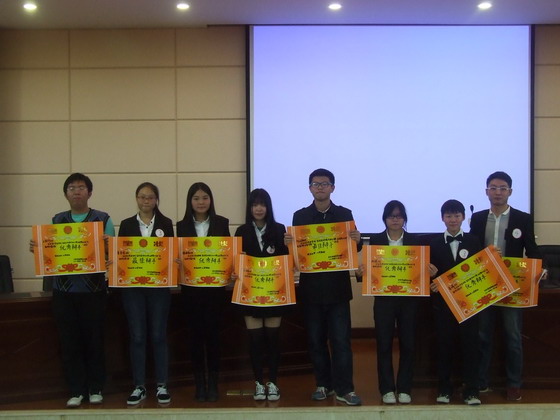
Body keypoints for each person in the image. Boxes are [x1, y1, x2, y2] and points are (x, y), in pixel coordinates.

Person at [29, 173, 115, 408]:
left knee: (94, 341)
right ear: (66, 194)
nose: (77, 191)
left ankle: (96, 388)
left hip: (93, 292)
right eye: (72, 188)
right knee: (69, 343)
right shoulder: (57, 220)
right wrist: (38, 249)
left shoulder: (103, 219)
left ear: (90, 192)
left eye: (81, 187)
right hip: (64, 293)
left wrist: (109, 247)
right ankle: (76, 390)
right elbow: (50, 254)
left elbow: (113, 255)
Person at [285, 168, 363, 406]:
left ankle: (345, 389)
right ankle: (323, 384)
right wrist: (289, 244)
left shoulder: (344, 214)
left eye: (325, 184)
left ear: (332, 188)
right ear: (310, 188)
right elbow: (296, 254)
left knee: (341, 342)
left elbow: (353, 249)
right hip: (311, 290)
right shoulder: (300, 216)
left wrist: (357, 240)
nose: (320, 188)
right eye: (316, 184)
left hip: (338, 289)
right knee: (316, 341)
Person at [469, 171, 541, 402]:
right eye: (493, 188)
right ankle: (481, 381)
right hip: (485, 285)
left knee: (513, 337)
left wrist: (540, 268)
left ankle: (514, 384)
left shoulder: (523, 218)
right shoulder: (478, 218)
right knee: (482, 336)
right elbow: (472, 250)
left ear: (510, 192)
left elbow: (532, 250)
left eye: (502, 188)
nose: (497, 192)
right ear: (486, 191)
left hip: (513, 286)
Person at [117, 182, 174, 406]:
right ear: (136, 199)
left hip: (159, 289)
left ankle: (162, 385)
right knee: (138, 336)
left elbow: (170, 254)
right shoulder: (127, 224)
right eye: (142, 197)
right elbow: (122, 255)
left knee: (159, 336)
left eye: (150, 197)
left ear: (156, 200)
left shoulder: (166, 224)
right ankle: (139, 386)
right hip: (133, 290)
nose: (146, 201)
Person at [368, 200, 429, 405]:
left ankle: (404, 388)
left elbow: (420, 271)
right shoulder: (376, 240)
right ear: (385, 218)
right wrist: (362, 272)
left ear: (404, 218)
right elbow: (370, 272)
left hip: (408, 301)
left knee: (408, 344)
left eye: (399, 216)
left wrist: (427, 271)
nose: (395, 219)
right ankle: (386, 389)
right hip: (384, 301)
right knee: (384, 344)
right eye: (391, 216)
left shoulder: (415, 241)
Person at [234, 188, 289, 401]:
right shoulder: (241, 231)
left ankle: (273, 382)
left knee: (273, 339)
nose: (258, 208)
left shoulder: (279, 229)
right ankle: (258, 383)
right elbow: (236, 261)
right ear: (249, 207)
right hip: (250, 294)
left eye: (262, 204)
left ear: (268, 207)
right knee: (255, 340)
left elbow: (286, 261)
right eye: (255, 204)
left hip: (274, 293)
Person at [176, 182, 230, 402]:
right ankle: (199, 384)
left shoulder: (222, 223)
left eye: (205, 198)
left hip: (215, 291)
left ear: (211, 200)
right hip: (191, 292)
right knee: (195, 338)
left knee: (214, 337)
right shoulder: (181, 226)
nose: (201, 202)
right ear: (190, 201)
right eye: (196, 198)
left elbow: (228, 254)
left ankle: (213, 384)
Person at [429, 199, 482, 406]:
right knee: (444, 347)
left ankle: (471, 391)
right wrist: (432, 278)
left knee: (470, 347)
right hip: (443, 306)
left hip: (469, 304)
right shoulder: (433, 244)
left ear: (463, 217)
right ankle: (444, 389)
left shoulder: (474, 242)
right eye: (449, 216)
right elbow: (430, 276)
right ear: (442, 218)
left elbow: (479, 271)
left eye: (457, 215)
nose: (453, 220)